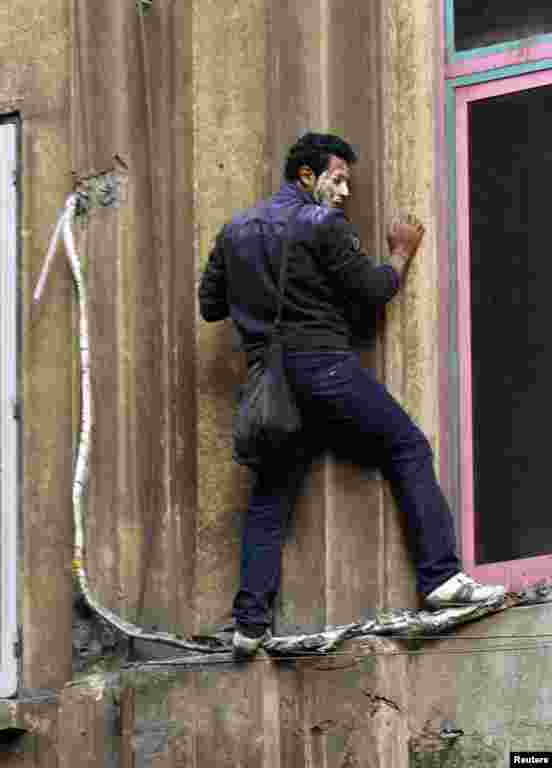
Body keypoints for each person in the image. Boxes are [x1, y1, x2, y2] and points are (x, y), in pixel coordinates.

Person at [199, 132, 506, 658]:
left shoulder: (234, 231)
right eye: (337, 179)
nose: (343, 192)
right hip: (324, 367)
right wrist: (400, 254)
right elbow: (370, 292)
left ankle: (249, 626)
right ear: (305, 176)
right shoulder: (322, 224)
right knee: (407, 446)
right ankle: (442, 578)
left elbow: (210, 306)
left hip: (270, 384)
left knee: (271, 495)